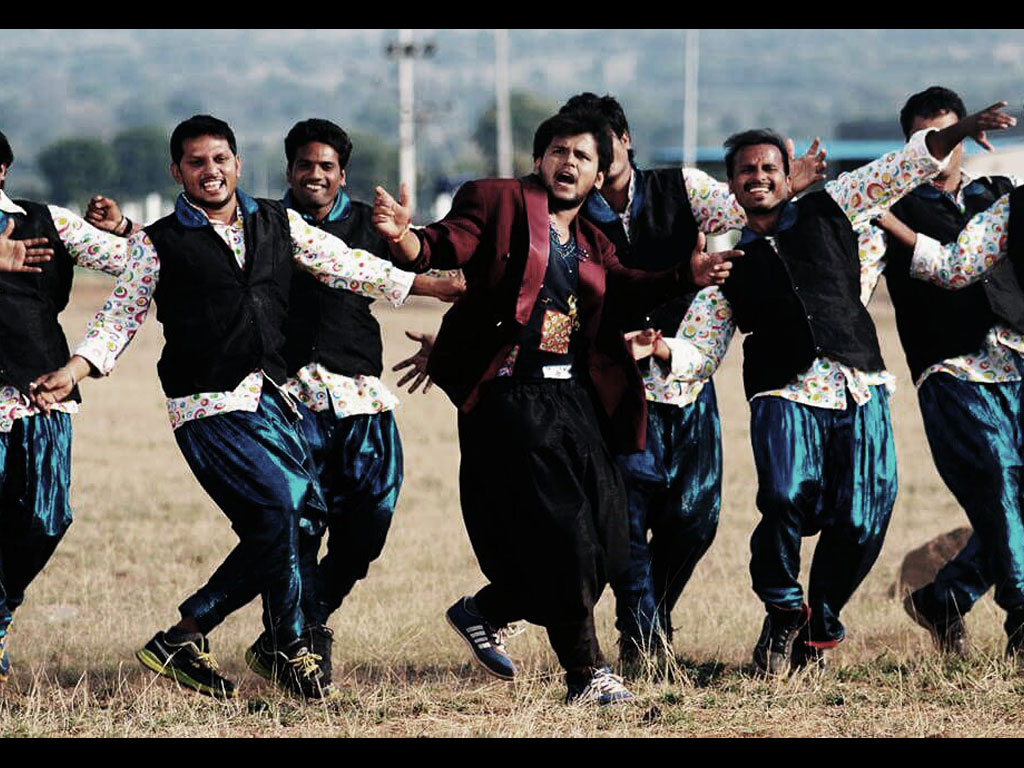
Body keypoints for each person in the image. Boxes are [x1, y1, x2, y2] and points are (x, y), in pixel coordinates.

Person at [30, 115, 453, 700]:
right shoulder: (158, 243)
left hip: (272, 399)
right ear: (176, 171)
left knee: (300, 518)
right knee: (288, 504)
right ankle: (273, 640)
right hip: (207, 406)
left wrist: (431, 286)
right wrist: (76, 370)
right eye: (196, 162)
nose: (210, 171)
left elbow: (348, 264)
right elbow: (119, 315)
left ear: (238, 164)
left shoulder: (277, 222)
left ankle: (195, 637)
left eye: (220, 159)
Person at [372, 109, 739, 705]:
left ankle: (487, 609)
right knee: (566, 532)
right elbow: (445, 243)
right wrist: (404, 238)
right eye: (559, 151)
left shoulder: (593, 241)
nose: (569, 163)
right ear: (539, 159)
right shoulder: (497, 201)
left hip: (573, 399)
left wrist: (685, 275)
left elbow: (627, 287)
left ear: (598, 174)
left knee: (610, 542)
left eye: (583, 156)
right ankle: (587, 673)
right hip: (512, 396)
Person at [711, 104, 1012, 675]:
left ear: (788, 175)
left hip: (860, 387)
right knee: (784, 496)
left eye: (769, 168)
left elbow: (900, 167)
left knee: (864, 518)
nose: (758, 177)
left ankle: (816, 629)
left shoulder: (835, 205)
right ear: (732, 185)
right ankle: (783, 608)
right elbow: (699, 346)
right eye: (746, 171)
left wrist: (957, 130)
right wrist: (656, 351)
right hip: (783, 392)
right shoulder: (726, 264)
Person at [557, 93, 824, 673]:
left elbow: (741, 217)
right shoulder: (567, 211)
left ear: (624, 141)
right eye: (583, 146)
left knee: (696, 518)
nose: (595, 154)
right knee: (627, 519)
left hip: (687, 376)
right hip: (613, 385)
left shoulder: (683, 186)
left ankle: (650, 618)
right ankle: (642, 640)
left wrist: (786, 190)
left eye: (605, 141)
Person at [857, 87, 1023, 658]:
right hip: (949, 369)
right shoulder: (888, 208)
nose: (942, 149)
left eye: (951, 135)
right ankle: (1022, 618)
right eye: (928, 139)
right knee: (998, 481)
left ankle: (944, 598)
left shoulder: (998, 195)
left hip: (1014, 359)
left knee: (1017, 500)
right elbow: (859, 282)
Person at [0, 129, 131, 683]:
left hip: (40, 393)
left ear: (2, 169)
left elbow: (139, 263)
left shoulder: (48, 221)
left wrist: (123, 228)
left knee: (46, 518)